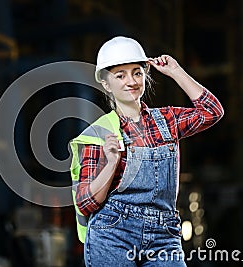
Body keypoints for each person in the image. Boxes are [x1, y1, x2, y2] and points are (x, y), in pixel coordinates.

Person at [69, 36, 224, 266]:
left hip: (164, 234)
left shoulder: (166, 121)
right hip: (114, 235)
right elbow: (86, 203)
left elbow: (212, 111)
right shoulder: (99, 133)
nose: (131, 81)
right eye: (120, 75)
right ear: (106, 83)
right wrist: (111, 163)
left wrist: (176, 72)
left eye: (137, 73)